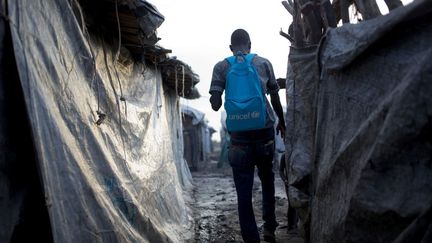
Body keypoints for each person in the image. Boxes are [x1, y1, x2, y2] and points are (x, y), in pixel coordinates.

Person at [209, 29, 286, 243]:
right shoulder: (264, 63)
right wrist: (282, 123)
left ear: (231, 48)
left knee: (244, 190)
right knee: (268, 180)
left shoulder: (221, 67)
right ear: (250, 45)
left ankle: (251, 238)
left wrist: (224, 95)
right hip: (264, 132)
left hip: (239, 138)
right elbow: (276, 98)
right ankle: (269, 228)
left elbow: (215, 105)